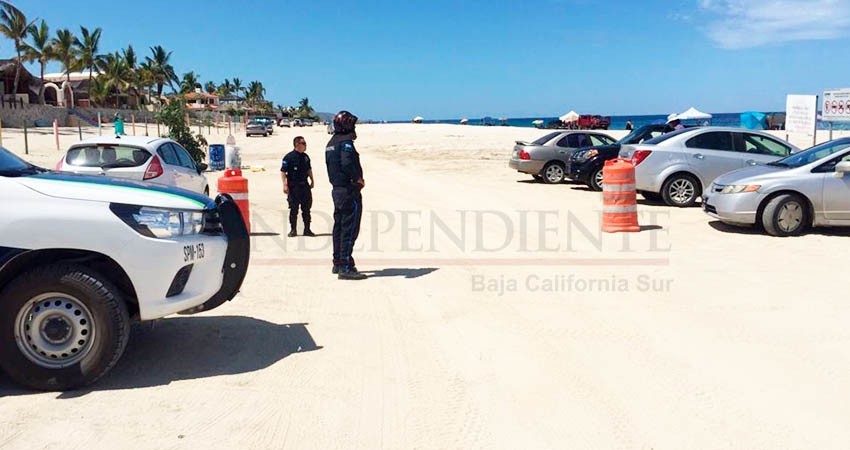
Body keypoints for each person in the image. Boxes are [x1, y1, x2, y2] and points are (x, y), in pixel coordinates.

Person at [325, 110, 367, 280]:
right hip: (349, 191)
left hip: (337, 190)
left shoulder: (331, 142)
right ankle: (344, 266)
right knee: (349, 229)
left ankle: (338, 261)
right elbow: (347, 162)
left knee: (340, 227)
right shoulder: (345, 143)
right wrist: (358, 179)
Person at [281, 136, 315, 237]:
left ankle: (307, 229)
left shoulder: (306, 157)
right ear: (297, 145)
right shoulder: (289, 157)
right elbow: (283, 171)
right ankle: (293, 230)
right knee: (293, 209)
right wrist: (284, 184)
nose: (305, 145)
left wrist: (312, 180)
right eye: (303, 143)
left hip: (304, 185)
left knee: (306, 209)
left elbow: (309, 169)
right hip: (293, 187)